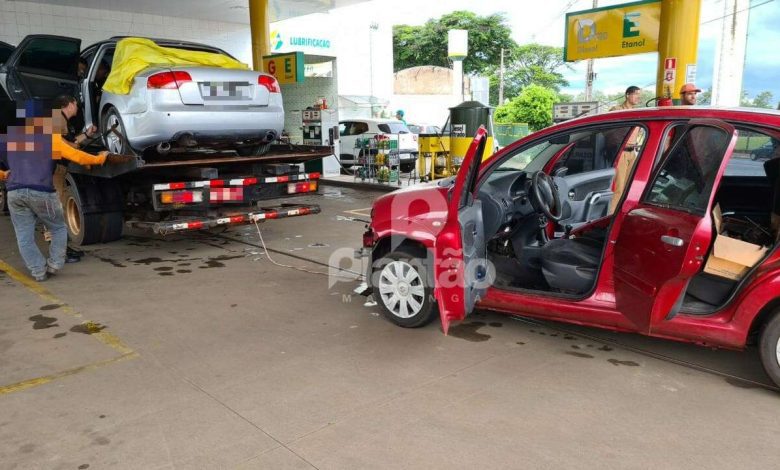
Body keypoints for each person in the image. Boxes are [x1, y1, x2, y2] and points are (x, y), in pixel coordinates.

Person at [0, 102, 113, 281]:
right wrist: (99, 159)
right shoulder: (49, 138)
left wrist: (3, 174)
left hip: (14, 193)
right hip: (41, 191)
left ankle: (38, 272)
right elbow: (77, 156)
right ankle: (54, 265)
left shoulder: (8, 138)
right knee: (59, 228)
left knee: (24, 236)